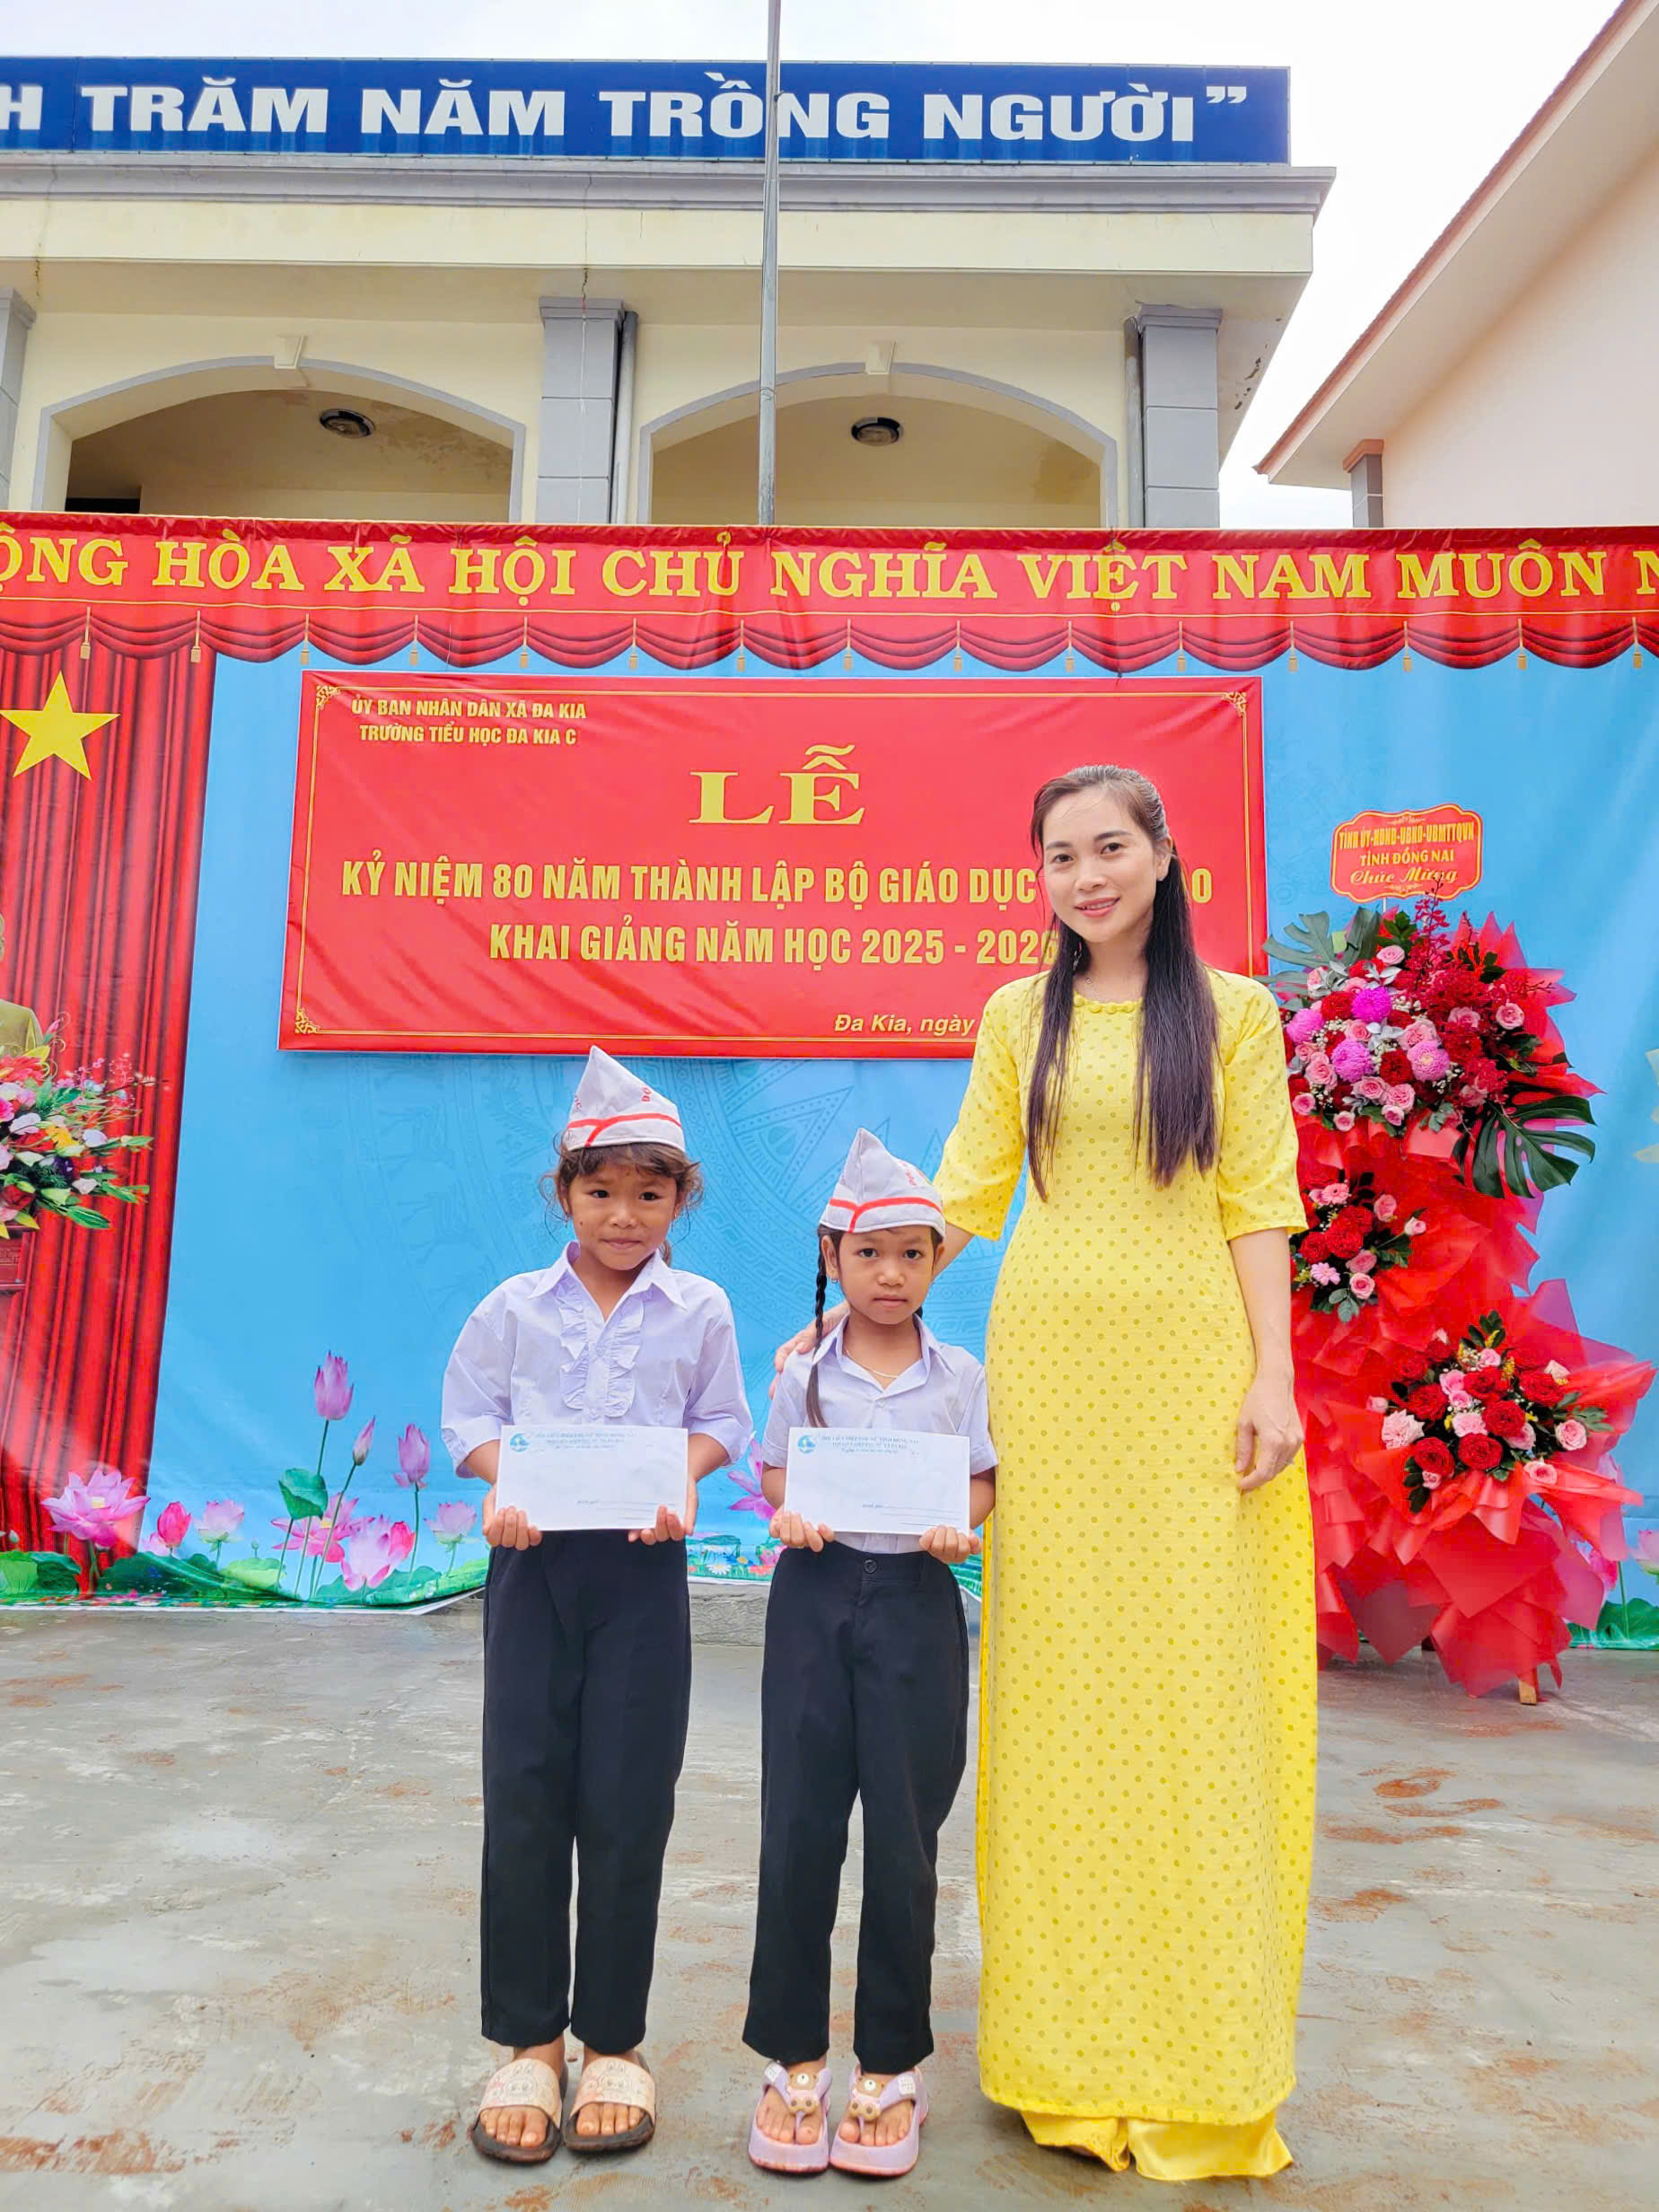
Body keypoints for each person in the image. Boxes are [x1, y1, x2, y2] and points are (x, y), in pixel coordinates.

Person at [777, 763, 1314, 2181]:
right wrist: (855, 1299)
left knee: (1192, 1697)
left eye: (1111, 847)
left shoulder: (1236, 1016)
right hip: (1052, 1385)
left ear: (1164, 854)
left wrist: (1272, 1374)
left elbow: (1257, 1201)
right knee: (1062, 1696)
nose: (1088, 876)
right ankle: (1062, 2053)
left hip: (1191, 1375)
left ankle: (1199, 2055)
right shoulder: (1021, 1016)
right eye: (1061, 855)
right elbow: (964, 1188)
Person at [442, 1047, 751, 2168]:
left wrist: (685, 1476)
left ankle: (615, 2040)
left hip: (641, 1568)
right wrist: (504, 1481)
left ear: (681, 1199)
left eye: (650, 1193)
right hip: (533, 1567)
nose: (626, 1215)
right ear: (564, 1192)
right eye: (602, 1190)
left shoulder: (700, 1308)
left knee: (628, 1800)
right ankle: (529, 2039)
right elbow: (468, 1416)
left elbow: (723, 1421)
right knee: (525, 1795)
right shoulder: (514, 1307)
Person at [745, 1129, 996, 2181]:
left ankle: (890, 2065)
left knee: (904, 1839)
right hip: (813, 1594)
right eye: (868, 1253)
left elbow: (980, 1479)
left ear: (936, 1261)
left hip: (914, 1604)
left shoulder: (960, 1376)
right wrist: (794, 1509)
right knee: (799, 1832)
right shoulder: (803, 1372)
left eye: (912, 1254)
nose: (890, 1274)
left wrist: (960, 1522)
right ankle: (794, 2061)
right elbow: (774, 1472)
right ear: (832, 1256)